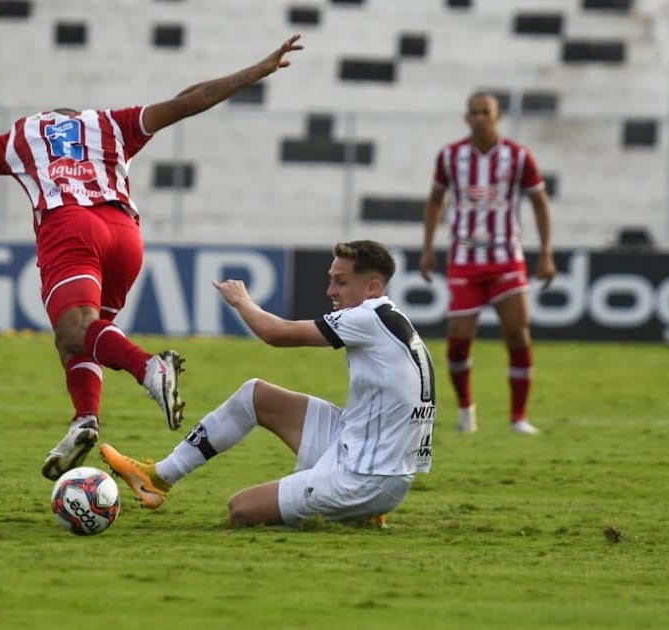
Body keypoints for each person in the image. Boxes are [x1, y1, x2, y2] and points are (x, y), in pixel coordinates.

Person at [0, 35, 305, 481]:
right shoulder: (109, 123)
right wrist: (257, 70)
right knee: (76, 337)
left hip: (70, 228)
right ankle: (84, 420)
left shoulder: (22, 135)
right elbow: (188, 102)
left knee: (77, 328)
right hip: (125, 234)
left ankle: (149, 368)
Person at [101, 240, 436, 528]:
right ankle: (157, 478)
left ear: (373, 287)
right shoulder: (390, 319)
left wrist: (240, 300)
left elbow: (275, 333)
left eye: (341, 282)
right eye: (331, 280)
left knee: (241, 510)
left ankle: (356, 510)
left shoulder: (367, 317)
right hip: (366, 452)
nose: (330, 291)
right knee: (256, 395)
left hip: (367, 477)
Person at [419, 91, 556, 435]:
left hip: (506, 257)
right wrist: (428, 247)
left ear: (497, 117)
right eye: (474, 112)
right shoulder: (451, 156)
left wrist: (547, 252)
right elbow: (436, 201)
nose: (480, 117)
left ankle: (518, 417)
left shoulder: (519, 156)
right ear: (467, 118)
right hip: (465, 258)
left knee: (518, 335)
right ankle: (466, 409)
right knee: (458, 342)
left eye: (486, 112)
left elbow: (540, 202)